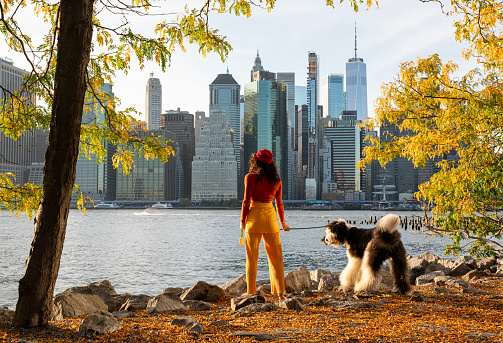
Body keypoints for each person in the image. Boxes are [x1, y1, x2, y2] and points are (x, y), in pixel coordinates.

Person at [240, 149, 290, 300]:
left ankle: (251, 293)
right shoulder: (277, 180)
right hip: (270, 220)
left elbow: (246, 201)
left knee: (252, 258)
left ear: (256, 161)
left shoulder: (249, 177)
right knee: (276, 258)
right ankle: (280, 293)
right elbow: (279, 203)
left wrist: (242, 221)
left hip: (253, 219)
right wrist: (283, 222)